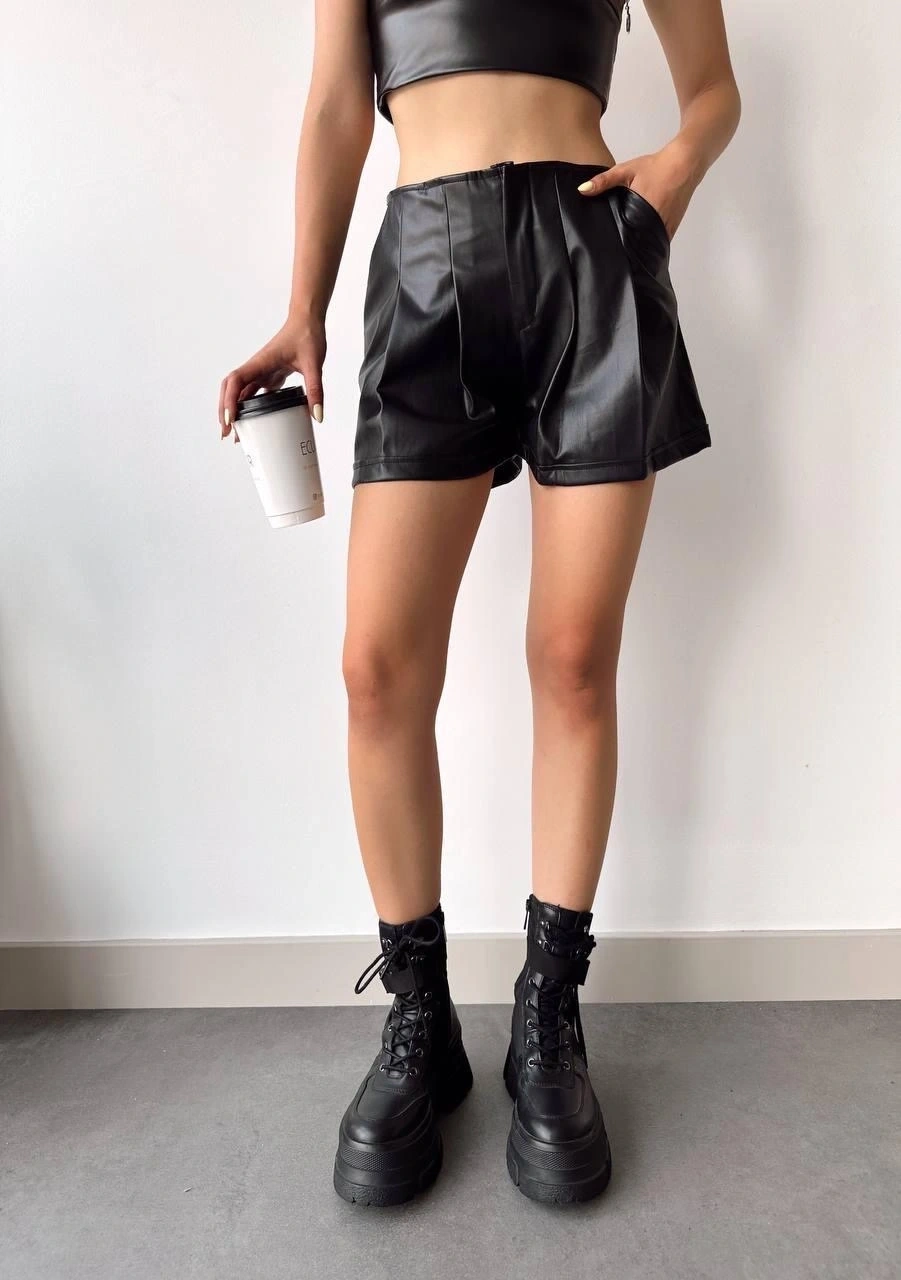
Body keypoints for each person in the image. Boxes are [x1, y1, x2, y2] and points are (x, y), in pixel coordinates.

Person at [218, 0, 740, 1207]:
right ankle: (421, 1020)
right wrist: (302, 307)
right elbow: (339, 103)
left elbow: (714, 90)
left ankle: (548, 1017)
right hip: (424, 260)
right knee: (377, 671)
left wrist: (674, 169)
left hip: (591, 256)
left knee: (573, 658)